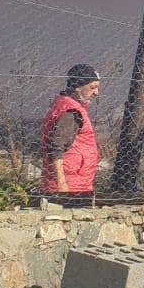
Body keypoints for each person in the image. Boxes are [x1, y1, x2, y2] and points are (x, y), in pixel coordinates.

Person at [40, 63, 101, 195]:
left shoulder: (66, 106)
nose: (96, 92)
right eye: (92, 87)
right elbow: (55, 147)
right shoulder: (71, 112)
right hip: (69, 186)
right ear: (78, 87)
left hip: (76, 182)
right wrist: (61, 185)